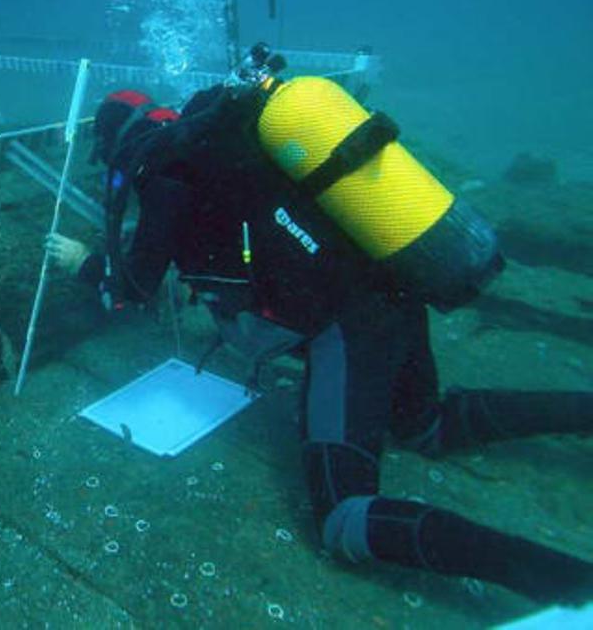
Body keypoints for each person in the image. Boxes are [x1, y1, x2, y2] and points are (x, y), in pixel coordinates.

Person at [45, 46, 593, 606]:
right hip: (395, 280)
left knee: (344, 519)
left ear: (115, 143)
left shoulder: (162, 174)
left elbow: (135, 289)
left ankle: (570, 582)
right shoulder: (227, 145)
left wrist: (84, 263)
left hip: (346, 323)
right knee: (426, 423)